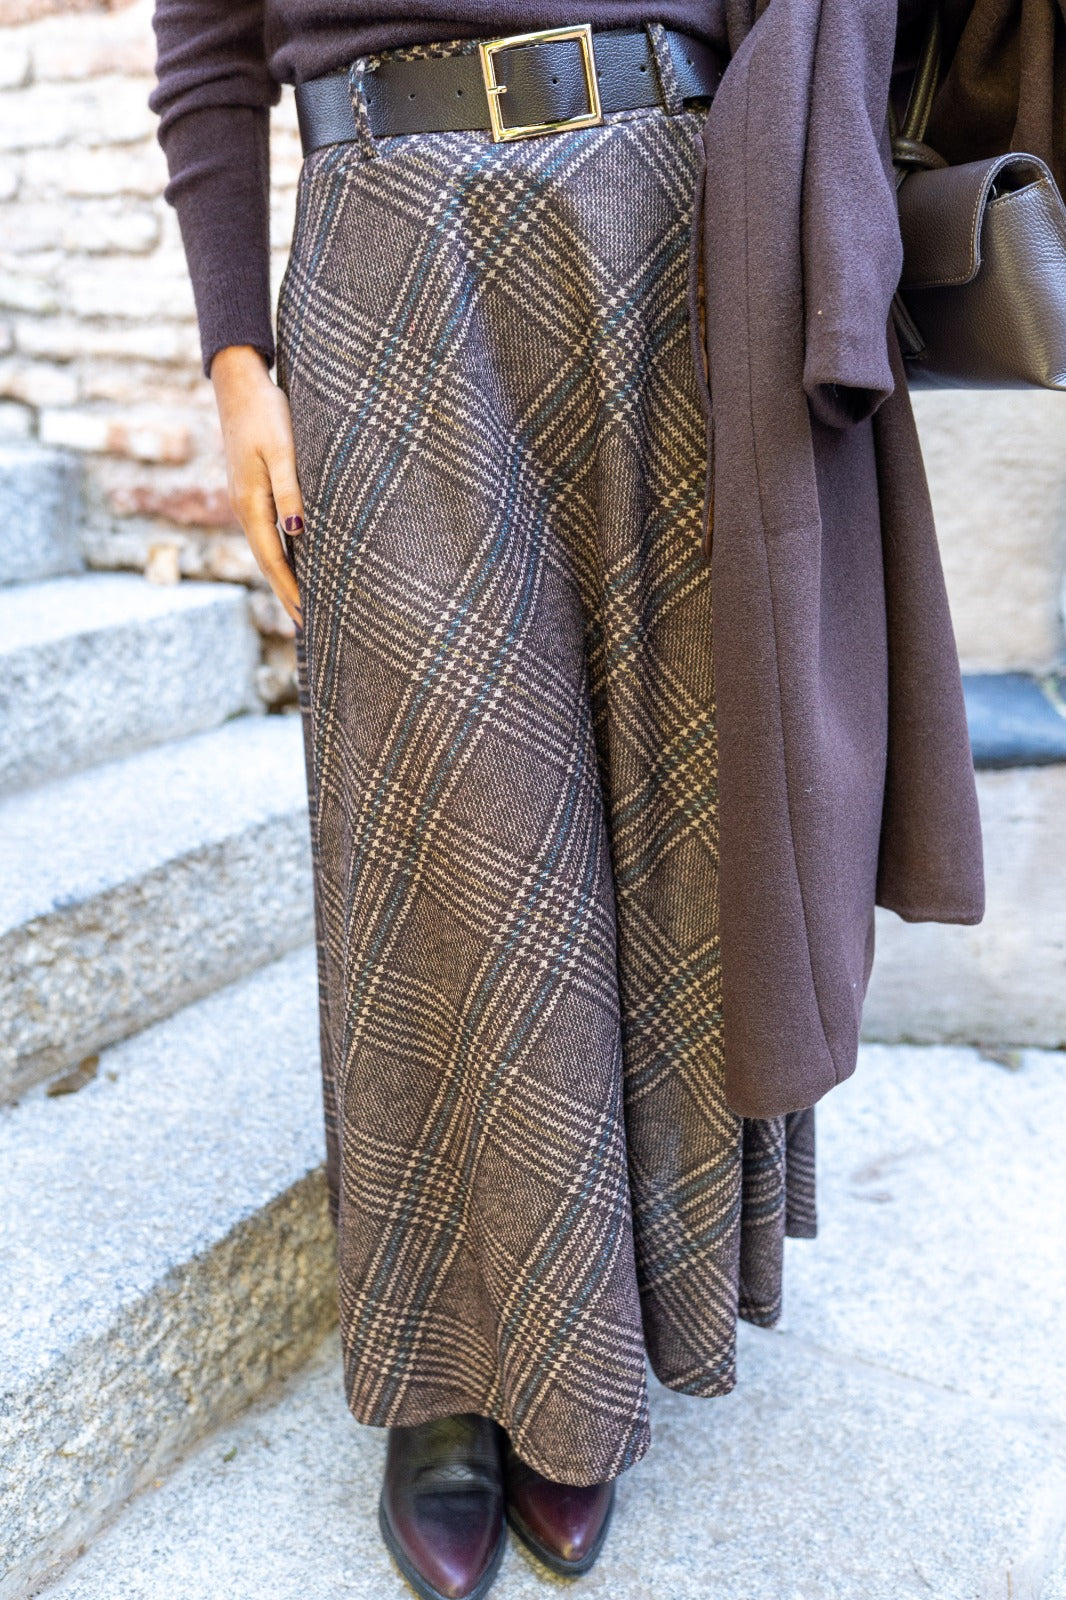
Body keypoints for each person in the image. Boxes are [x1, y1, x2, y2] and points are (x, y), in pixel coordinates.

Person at [150, 2, 1047, 1595]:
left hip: (674, 232)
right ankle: (446, 1371)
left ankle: (610, 1334)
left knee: (674, 812)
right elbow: (207, 48)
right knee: (438, 832)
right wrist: (238, 366)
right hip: (388, 248)